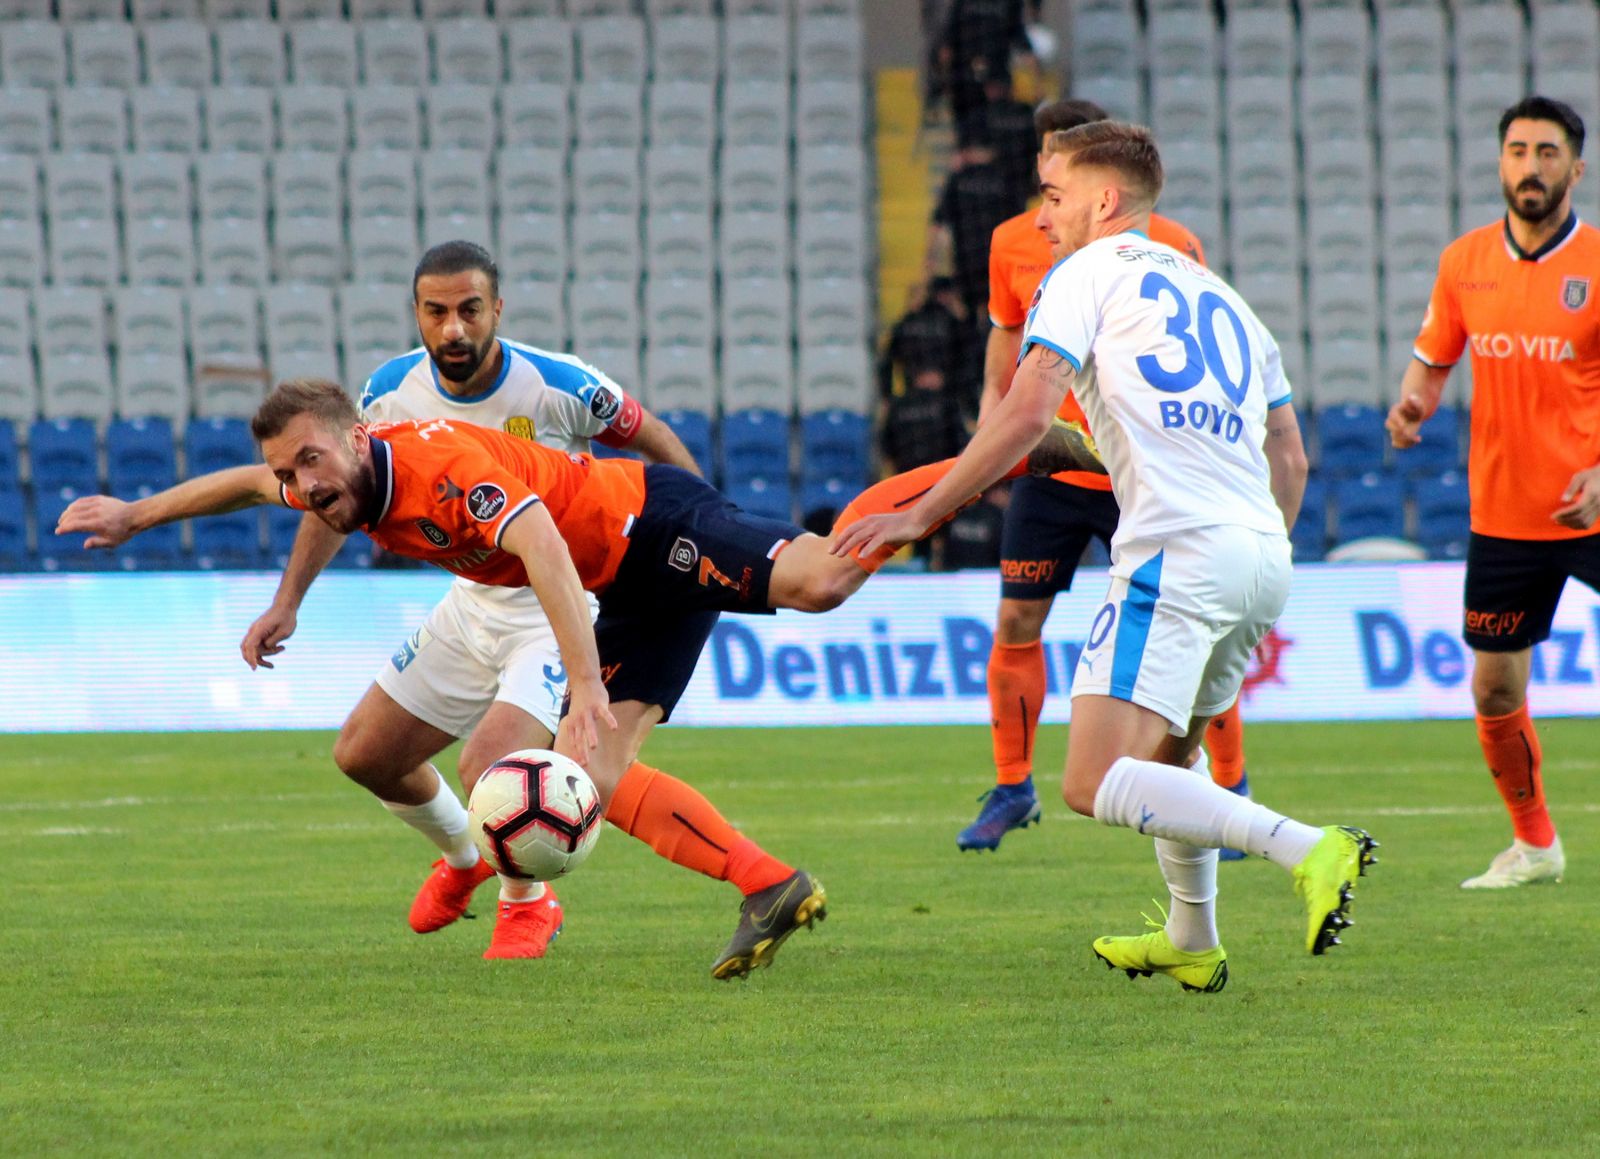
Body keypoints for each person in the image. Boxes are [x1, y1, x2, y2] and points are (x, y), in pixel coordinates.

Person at [59, 241, 819, 975]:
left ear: (496, 309)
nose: (453, 327)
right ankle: (463, 858)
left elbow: (643, 441)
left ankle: (530, 899)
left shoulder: (555, 383)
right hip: (473, 594)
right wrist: (250, 579)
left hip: (558, 589)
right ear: (416, 315)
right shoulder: (384, 398)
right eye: (435, 311)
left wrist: (677, 549)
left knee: (502, 764)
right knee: (365, 754)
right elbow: (299, 490)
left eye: (468, 309)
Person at [835, 121, 1377, 992]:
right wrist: (1258, 547)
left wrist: (922, 513)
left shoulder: (1081, 275)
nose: (1041, 218)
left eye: (1053, 197)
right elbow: (1292, 455)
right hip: (1261, 556)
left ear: (1104, 200)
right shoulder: (1224, 295)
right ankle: (1191, 937)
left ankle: (1309, 847)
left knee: (1091, 780)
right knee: (1170, 761)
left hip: (1177, 550)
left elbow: (1020, 413)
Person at [961, 98, 1256, 856]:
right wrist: (994, 425)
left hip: (1142, 473)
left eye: (1060, 180)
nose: (1047, 199)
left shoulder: (1173, 243)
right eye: (1045, 175)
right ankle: (1011, 786)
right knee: (1017, 621)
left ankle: (1232, 781)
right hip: (1055, 465)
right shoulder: (1011, 243)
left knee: (1196, 633)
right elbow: (1004, 338)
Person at [1387, 96, 1600, 890]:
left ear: (1574, 169)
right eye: (1518, 151)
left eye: (1548, 153)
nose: (1531, 167)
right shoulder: (1464, 260)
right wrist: (1414, 403)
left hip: (1595, 501)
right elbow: (1434, 357)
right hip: (1507, 515)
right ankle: (1536, 845)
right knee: (1493, 684)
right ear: (1501, 162)